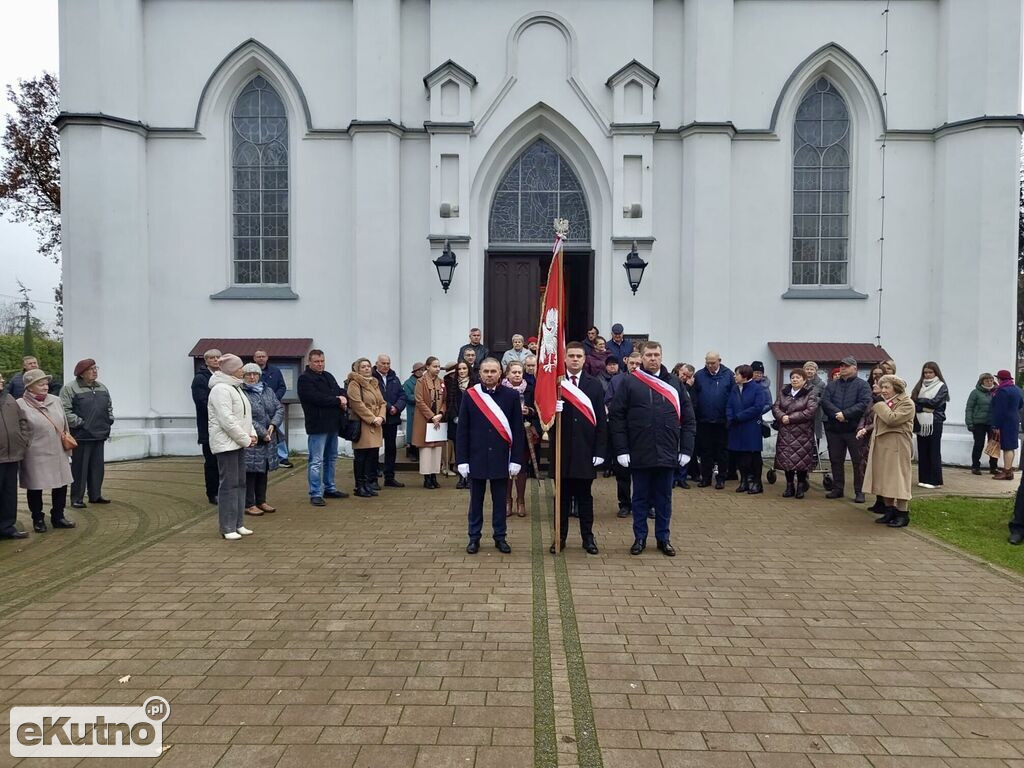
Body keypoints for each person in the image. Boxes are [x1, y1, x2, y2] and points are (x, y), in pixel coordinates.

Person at [609, 341, 696, 557]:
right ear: (641, 357)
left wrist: (685, 450)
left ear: (662, 356)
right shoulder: (630, 382)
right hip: (639, 451)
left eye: (656, 354)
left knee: (664, 498)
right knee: (639, 497)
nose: (653, 358)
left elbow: (689, 419)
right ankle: (640, 538)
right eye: (648, 355)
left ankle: (663, 539)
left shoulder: (675, 384)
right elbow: (617, 418)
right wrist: (621, 450)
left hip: (667, 452)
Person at [456, 357, 526, 554]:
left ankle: (500, 537)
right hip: (476, 456)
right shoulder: (471, 395)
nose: (489, 375)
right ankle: (474, 537)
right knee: (475, 501)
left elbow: (517, 430)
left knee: (500, 501)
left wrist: (516, 460)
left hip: (501, 457)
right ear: (480, 373)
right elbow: (462, 429)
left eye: (493, 371)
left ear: (500, 373)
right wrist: (462, 460)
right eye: (485, 371)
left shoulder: (511, 396)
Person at [547, 343, 607, 554]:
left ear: (584, 359)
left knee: (584, 499)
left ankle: (587, 538)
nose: (574, 359)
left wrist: (600, 451)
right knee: (561, 500)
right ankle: (559, 538)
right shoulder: (554, 384)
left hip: (585, 451)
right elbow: (541, 419)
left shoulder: (595, 385)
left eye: (578, 356)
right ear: (564, 359)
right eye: (570, 356)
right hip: (562, 451)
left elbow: (601, 420)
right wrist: (551, 413)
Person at [18, 369, 76, 533]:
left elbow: (64, 424)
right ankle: (38, 519)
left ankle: (58, 516)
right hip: (34, 453)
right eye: (40, 383)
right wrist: (26, 446)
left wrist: (67, 450)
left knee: (61, 484)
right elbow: (19, 430)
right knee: (35, 487)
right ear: (30, 387)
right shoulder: (20, 405)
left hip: (58, 451)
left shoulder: (56, 400)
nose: (45, 386)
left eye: (46, 383)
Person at [207, 354, 257, 539]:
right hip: (226, 445)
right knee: (228, 485)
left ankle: (238, 523)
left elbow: (244, 416)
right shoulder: (221, 389)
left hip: (238, 442)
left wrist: (251, 433)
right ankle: (227, 527)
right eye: (239, 367)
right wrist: (245, 439)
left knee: (240, 483)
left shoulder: (236, 387)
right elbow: (226, 420)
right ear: (230, 370)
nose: (243, 370)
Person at [297, 349, 348, 506]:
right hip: (317, 425)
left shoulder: (328, 376)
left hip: (333, 424)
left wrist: (344, 397)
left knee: (331, 458)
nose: (320, 364)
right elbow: (316, 398)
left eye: (322, 361)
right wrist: (337, 400)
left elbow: (339, 390)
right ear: (309, 362)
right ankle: (315, 492)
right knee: (316, 460)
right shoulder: (305, 379)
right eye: (317, 362)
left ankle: (330, 488)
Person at [863, 375, 915, 527]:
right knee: (884, 478)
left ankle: (903, 513)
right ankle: (889, 510)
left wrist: (879, 405)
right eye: (882, 387)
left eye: (887, 387)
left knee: (898, 479)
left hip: (897, 445)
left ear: (896, 388)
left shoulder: (907, 403)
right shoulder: (887, 402)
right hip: (882, 444)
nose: (883, 391)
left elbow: (892, 419)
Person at [61, 358, 114, 508]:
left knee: (98, 467)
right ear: (81, 373)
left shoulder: (102, 387)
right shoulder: (70, 388)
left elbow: (109, 406)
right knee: (80, 468)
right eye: (91, 369)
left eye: (96, 368)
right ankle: (77, 498)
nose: (95, 371)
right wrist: (80, 423)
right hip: (82, 436)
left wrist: (109, 419)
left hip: (99, 433)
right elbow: (65, 410)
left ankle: (95, 495)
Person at [821, 356, 872, 502]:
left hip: (853, 429)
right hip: (834, 428)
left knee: (858, 461)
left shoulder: (862, 385)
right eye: (842, 366)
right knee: (836, 460)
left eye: (846, 366)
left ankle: (859, 491)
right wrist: (837, 414)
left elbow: (864, 403)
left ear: (855, 368)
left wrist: (846, 414)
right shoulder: (832, 385)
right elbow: (825, 401)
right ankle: (838, 488)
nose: (843, 368)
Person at [240, 363, 283, 516]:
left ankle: (261, 501)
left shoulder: (268, 390)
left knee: (263, 470)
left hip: (269, 436)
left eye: (255, 374)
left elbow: (279, 408)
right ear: (243, 376)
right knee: (250, 471)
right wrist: (262, 431)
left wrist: (273, 424)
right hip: (253, 438)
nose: (252, 377)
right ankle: (249, 504)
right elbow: (245, 416)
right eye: (248, 374)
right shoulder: (242, 392)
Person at [772, 368, 820, 499]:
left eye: (798, 377)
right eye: (792, 377)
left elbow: (810, 411)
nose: (794, 379)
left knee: (801, 461)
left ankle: (800, 487)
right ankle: (789, 486)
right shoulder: (784, 392)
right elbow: (776, 407)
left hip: (802, 432)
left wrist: (791, 418)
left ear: (804, 380)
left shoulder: (810, 393)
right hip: (785, 431)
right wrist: (782, 416)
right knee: (787, 460)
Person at [726, 364, 772, 494]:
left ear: (745, 376)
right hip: (736, 426)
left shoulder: (757, 389)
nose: (735, 377)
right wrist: (730, 417)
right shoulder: (735, 388)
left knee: (753, 455)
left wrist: (739, 416)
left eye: (737, 374)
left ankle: (757, 483)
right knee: (740, 455)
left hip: (751, 426)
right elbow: (729, 404)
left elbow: (758, 407)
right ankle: (744, 481)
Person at [607, 351, 641, 516]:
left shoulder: (650, 381)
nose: (634, 367)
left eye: (638, 364)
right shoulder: (617, 380)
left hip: (643, 433)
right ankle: (625, 504)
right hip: (622, 431)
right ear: (626, 362)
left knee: (644, 472)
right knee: (622, 472)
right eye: (632, 363)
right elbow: (609, 401)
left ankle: (645, 505)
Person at [693, 351, 734, 489]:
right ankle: (705, 478)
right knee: (705, 451)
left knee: (722, 451)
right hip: (704, 420)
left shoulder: (728, 375)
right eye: (708, 363)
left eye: (713, 363)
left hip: (722, 421)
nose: (710, 365)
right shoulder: (699, 375)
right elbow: (695, 396)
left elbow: (732, 396)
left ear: (719, 361)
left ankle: (721, 478)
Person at [346, 358, 386, 498]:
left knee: (372, 455)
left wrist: (381, 417)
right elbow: (357, 404)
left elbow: (382, 402)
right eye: (363, 367)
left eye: (368, 366)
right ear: (357, 369)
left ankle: (368, 483)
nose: (367, 369)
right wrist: (372, 418)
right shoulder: (354, 384)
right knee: (361, 456)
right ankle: (359, 485)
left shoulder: (374, 382)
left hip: (376, 423)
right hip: (363, 423)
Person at [502, 360, 535, 517]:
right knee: (506, 468)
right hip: (504, 433)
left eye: (519, 372)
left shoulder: (530, 389)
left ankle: (521, 500)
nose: (516, 375)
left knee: (521, 468)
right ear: (507, 374)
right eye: (513, 372)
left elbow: (538, 410)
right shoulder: (500, 390)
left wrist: (529, 411)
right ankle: (507, 500)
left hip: (523, 433)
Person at [0, 372, 29, 538]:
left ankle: (7, 528)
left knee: (9, 495)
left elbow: (22, 421)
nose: (3, 380)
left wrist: (23, 440)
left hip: (12, 456)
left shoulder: (10, 399)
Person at [911, 361, 949, 489]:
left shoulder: (941, 386)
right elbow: (913, 403)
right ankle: (924, 478)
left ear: (936, 372)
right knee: (922, 450)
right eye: (925, 372)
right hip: (920, 422)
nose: (927, 375)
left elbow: (935, 403)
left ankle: (935, 480)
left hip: (935, 422)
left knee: (933, 450)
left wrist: (921, 403)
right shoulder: (919, 386)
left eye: (930, 372)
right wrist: (923, 406)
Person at [191, 348, 221, 504]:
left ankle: (223, 490)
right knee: (211, 462)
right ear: (206, 361)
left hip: (223, 427)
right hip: (208, 427)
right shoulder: (200, 379)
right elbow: (202, 402)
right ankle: (212, 493)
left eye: (218, 357)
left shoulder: (223, 376)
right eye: (212, 358)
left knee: (222, 462)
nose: (216, 360)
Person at [254, 349, 292, 468]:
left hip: (273, 409)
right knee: (258, 432)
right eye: (258, 356)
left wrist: (274, 398)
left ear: (267, 357)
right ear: (254, 358)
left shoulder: (275, 371)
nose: (261, 358)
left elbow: (282, 387)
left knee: (278, 432)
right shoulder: (251, 371)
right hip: (257, 409)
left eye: (263, 356)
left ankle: (282, 457)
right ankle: (262, 457)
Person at [372, 354, 407, 487]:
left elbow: (402, 395)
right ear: (377, 363)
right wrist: (388, 406)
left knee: (391, 449)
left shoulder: (394, 378)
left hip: (392, 418)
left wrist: (397, 407)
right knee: (374, 449)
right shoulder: (372, 378)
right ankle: (373, 478)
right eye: (383, 363)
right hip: (377, 419)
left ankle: (389, 477)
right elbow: (376, 396)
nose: (386, 366)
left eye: (388, 363)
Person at [413, 356, 446, 488]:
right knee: (426, 449)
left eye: (438, 366)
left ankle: (434, 475)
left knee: (436, 449)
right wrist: (432, 416)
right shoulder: (421, 382)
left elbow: (444, 400)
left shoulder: (441, 382)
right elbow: (419, 401)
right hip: (425, 419)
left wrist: (441, 414)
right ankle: (427, 477)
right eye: (434, 366)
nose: (437, 369)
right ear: (427, 367)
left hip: (437, 419)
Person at [443, 360, 475, 489]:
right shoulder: (452, 384)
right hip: (456, 422)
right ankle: (462, 478)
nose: (462, 371)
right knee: (459, 450)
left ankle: (471, 477)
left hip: (472, 422)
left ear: (468, 370)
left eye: (464, 369)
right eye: (459, 369)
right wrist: (455, 416)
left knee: (472, 450)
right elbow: (449, 402)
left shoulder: (475, 384)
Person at [989, 370, 1023, 481]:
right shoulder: (1017, 389)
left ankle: (1007, 472)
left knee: (1007, 446)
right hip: (1014, 419)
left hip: (1005, 421)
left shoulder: (1002, 391)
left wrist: (996, 425)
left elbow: (999, 410)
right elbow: (1021, 404)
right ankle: (1008, 470)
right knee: (1010, 446)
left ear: (1000, 379)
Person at [965, 373, 998, 475]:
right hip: (978, 423)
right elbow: (969, 408)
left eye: (991, 380)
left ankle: (993, 467)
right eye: (986, 380)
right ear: (981, 381)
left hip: (992, 423)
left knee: (993, 445)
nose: (989, 382)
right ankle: (975, 466)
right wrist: (969, 423)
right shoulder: (975, 393)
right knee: (978, 444)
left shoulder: (996, 392)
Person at [403, 362, 425, 461]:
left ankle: (420, 452)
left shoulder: (424, 381)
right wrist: (421, 399)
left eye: (422, 370)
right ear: (415, 371)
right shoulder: (408, 383)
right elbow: (408, 396)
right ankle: (412, 452)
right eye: (419, 370)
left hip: (423, 410)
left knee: (420, 431)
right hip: (413, 409)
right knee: (412, 431)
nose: (421, 372)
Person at [803, 361, 826, 447]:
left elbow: (823, 398)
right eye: (807, 369)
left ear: (815, 371)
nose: (809, 371)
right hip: (802, 412)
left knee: (815, 438)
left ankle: (814, 458)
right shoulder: (800, 382)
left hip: (815, 413)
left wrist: (812, 400)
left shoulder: (821, 384)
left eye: (812, 369)